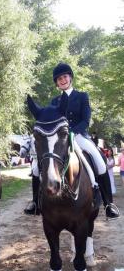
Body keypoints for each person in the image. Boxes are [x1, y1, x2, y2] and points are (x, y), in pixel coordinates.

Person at [27, 62, 119, 218]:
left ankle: (108, 203)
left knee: (99, 161)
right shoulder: (54, 102)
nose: (62, 80)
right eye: (59, 79)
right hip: (59, 140)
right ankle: (35, 202)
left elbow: (86, 120)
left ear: (70, 78)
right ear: (56, 83)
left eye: (64, 77)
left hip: (79, 136)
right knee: (36, 167)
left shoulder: (82, 96)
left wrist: (72, 132)